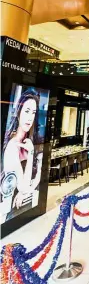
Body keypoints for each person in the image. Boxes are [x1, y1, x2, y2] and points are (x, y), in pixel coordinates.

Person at [1, 88, 42, 222]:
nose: (30, 117)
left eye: (33, 113)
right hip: (11, 210)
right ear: (19, 113)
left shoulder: (33, 141)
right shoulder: (12, 146)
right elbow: (23, 187)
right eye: (26, 111)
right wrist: (30, 155)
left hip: (27, 204)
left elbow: (39, 175)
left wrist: (26, 192)